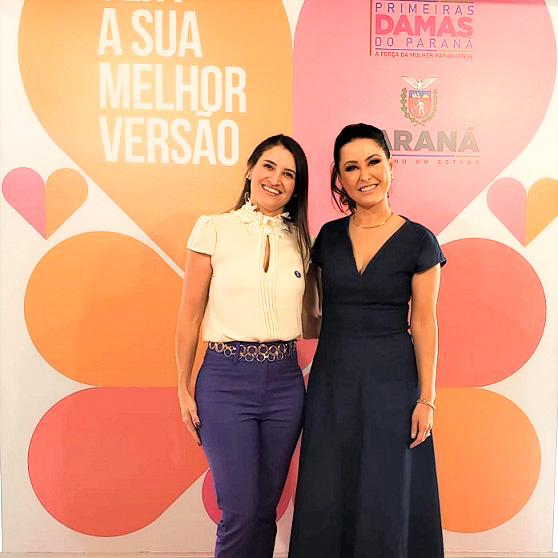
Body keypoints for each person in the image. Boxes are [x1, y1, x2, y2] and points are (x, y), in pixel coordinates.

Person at [289, 123, 446, 557]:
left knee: (386, 487)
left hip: (393, 385)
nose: (364, 175)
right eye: (351, 167)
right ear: (339, 178)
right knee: (327, 487)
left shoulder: (419, 241)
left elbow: (425, 323)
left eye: (373, 162)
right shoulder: (328, 238)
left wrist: (427, 398)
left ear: (391, 165)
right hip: (332, 381)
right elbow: (310, 311)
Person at [175, 134, 311, 558]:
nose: (276, 179)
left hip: (285, 384)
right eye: (268, 166)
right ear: (250, 169)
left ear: (296, 186)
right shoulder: (214, 228)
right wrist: (182, 387)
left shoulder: (302, 241)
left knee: (264, 511)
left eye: (288, 174)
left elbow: (315, 315)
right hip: (225, 380)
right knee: (239, 511)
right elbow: (189, 315)